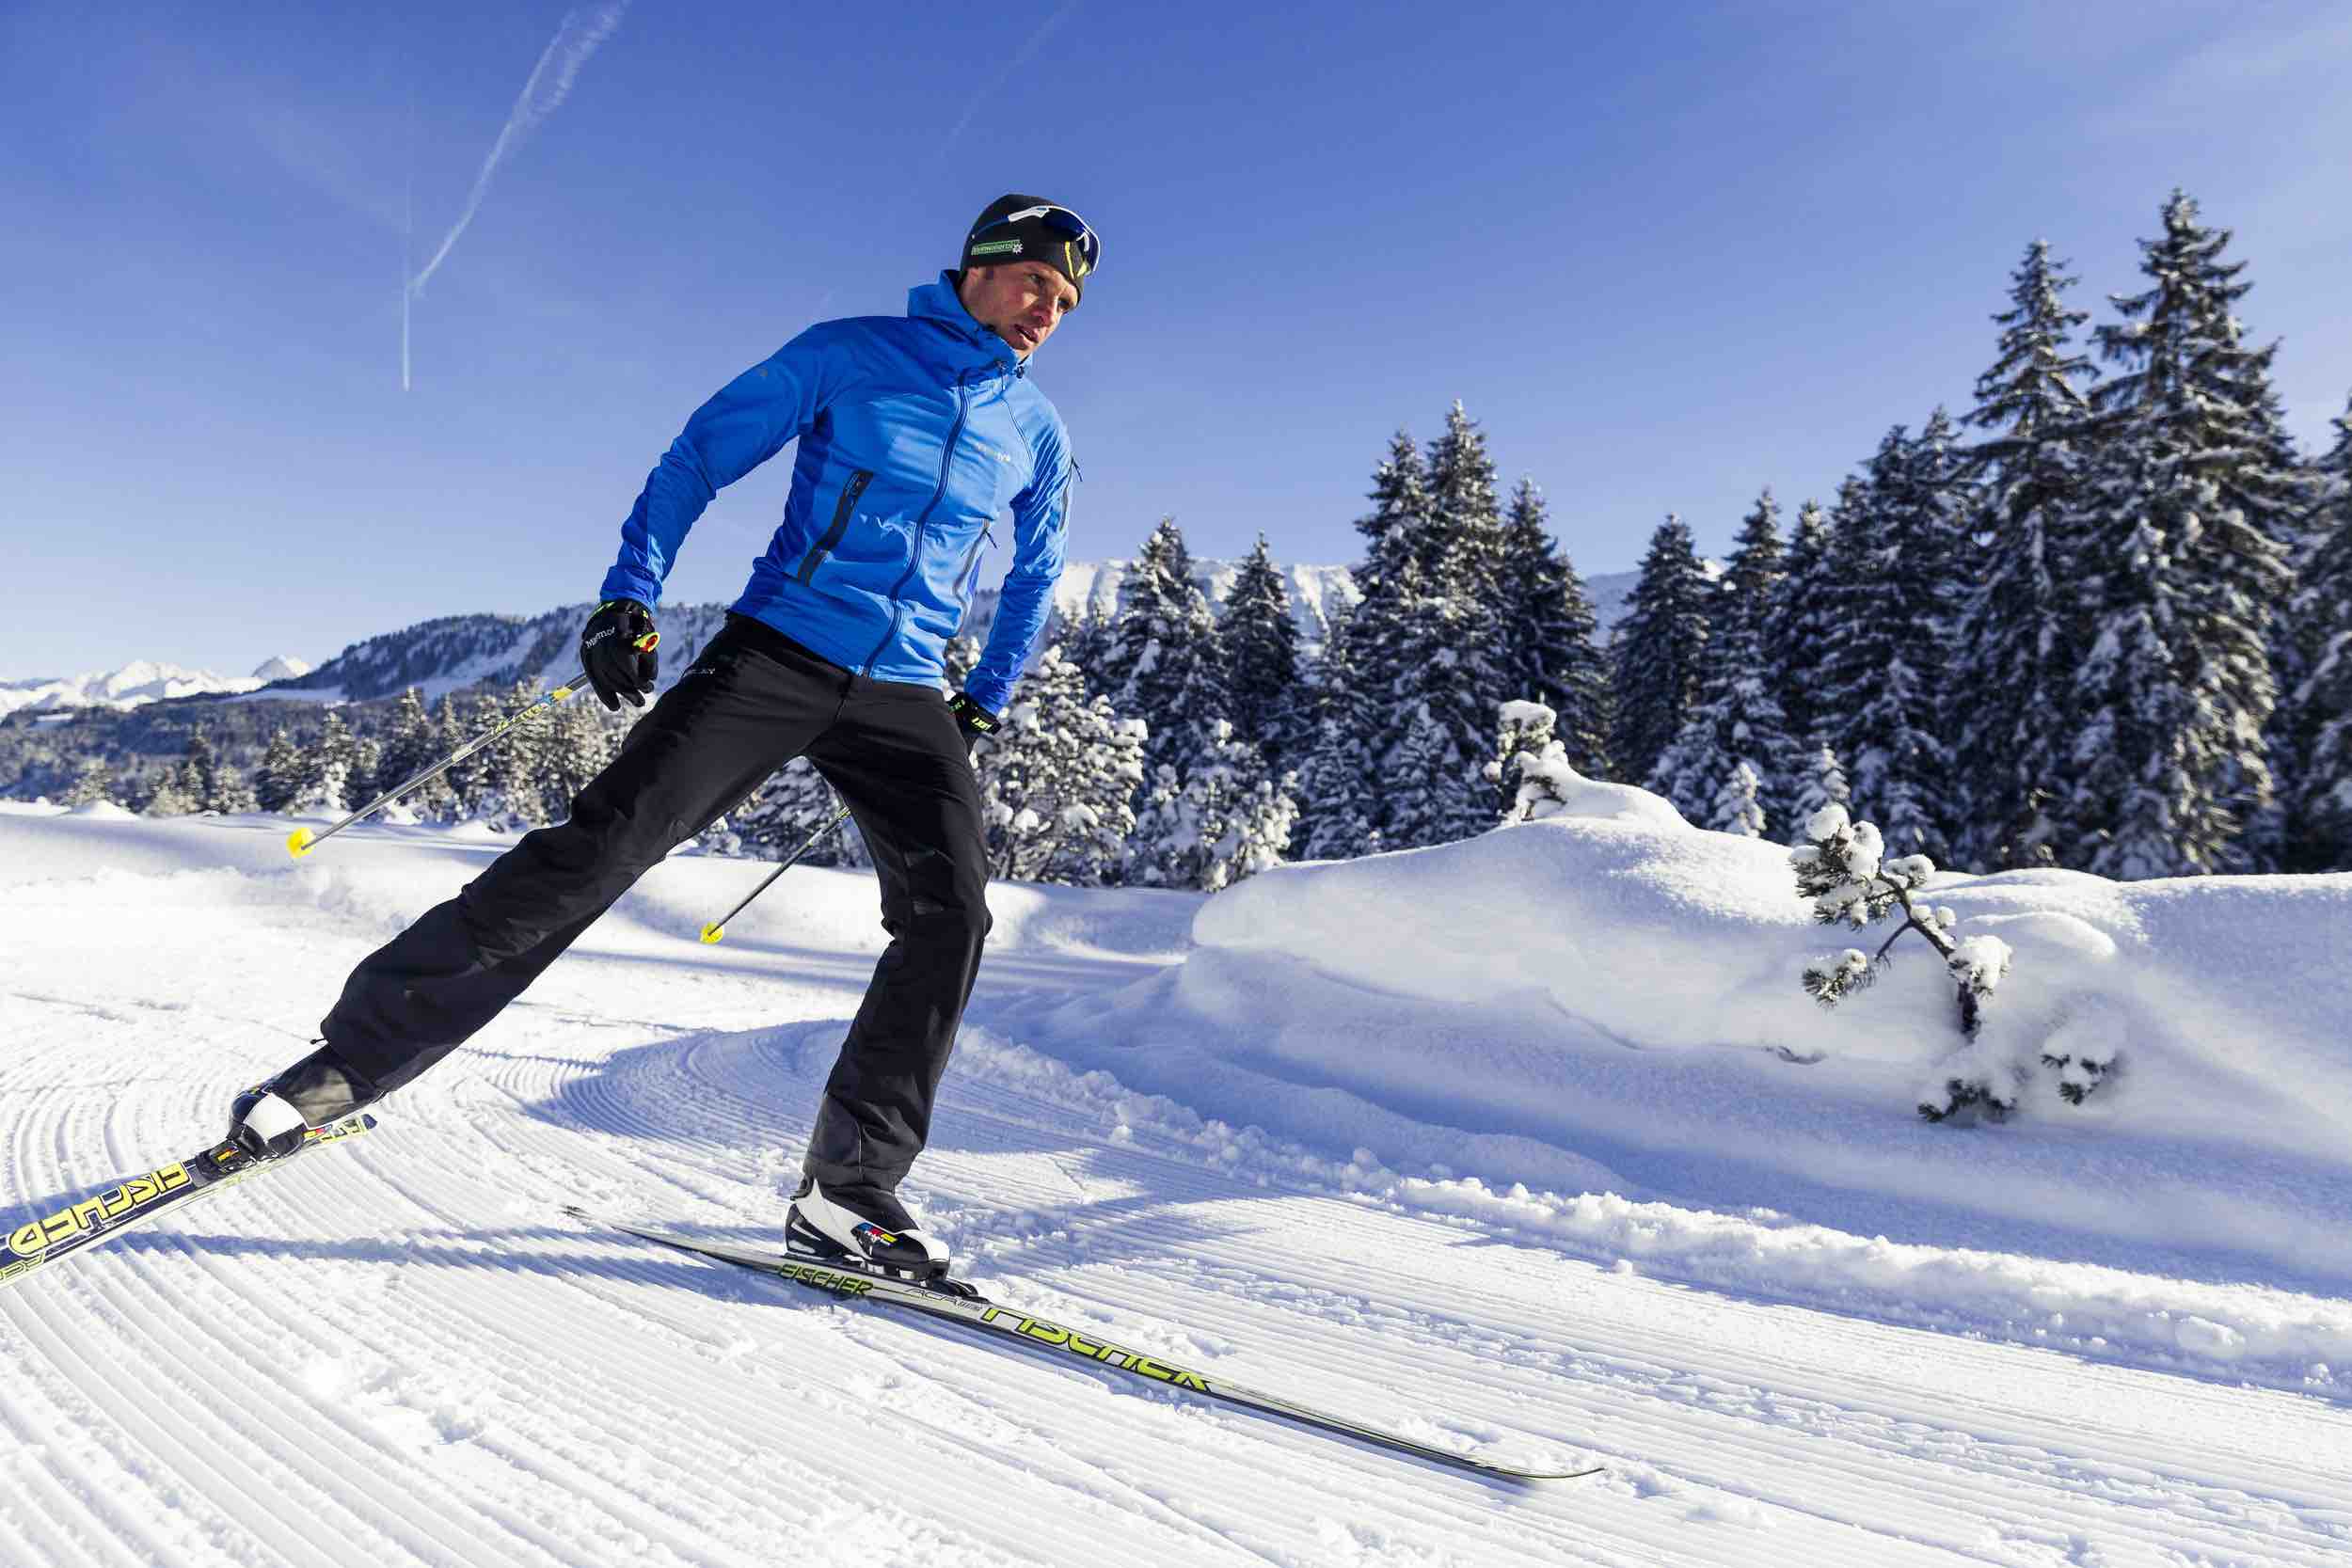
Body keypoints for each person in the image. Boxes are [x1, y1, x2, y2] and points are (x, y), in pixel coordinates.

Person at [225, 195, 1098, 1283]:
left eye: (1065, 303)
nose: (1046, 313)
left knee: (951, 914)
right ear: (979, 267)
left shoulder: (1038, 432)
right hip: (780, 649)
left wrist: (986, 695)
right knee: (601, 847)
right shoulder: (850, 356)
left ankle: (848, 1189)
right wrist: (630, 594)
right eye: (1034, 285)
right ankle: (350, 1064)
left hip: (908, 689)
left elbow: (1035, 571)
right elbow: (698, 455)